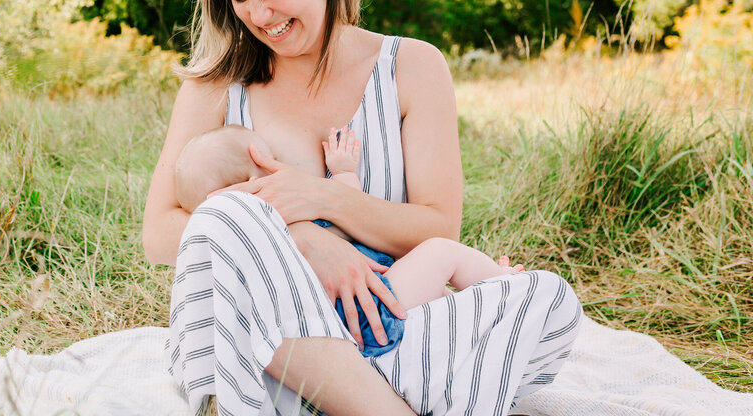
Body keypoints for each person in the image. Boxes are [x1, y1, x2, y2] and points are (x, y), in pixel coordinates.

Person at [141, 0, 582, 416]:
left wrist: (322, 200)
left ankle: (375, 392)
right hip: (270, 356)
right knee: (226, 215)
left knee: (549, 300)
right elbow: (162, 235)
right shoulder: (214, 85)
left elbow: (438, 229)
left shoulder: (412, 68)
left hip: (390, 324)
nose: (258, 15)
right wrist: (300, 237)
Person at [173, 123, 524, 356]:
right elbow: (345, 225)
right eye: (272, 159)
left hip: (354, 330)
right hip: (374, 310)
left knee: (443, 300)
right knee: (441, 252)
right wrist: (341, 173)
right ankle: (503, 283)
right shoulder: (285, 215)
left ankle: (485, 306)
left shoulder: (247, 248)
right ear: (255, 175)